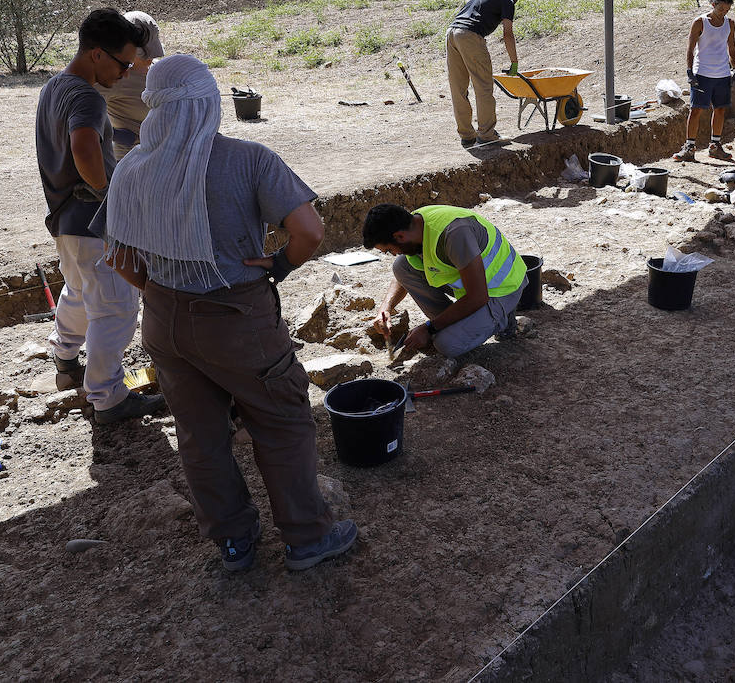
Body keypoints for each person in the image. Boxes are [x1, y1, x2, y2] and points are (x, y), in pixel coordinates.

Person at [100, 53, 356, 573]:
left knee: (199, 436)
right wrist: (280, 264)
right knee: (282, 422)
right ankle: (307, 538)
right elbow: (309, 232)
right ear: (210, 103)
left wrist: (160, 291)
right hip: (238, 317)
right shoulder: (249, 159)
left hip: (165, 320)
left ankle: (234, 541)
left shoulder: (132, 166)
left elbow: (118, 256)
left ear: (155, 110)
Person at [35, 8, 163, 424]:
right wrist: (111, 198)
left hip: (66, 220)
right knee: (117, 308)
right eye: (123, 64)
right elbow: (85, 148)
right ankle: (108, 398)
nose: (126, 73)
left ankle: (65, 357)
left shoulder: (54, 86)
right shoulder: (87, 96)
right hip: (92, 220)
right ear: (96, 54)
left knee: (80, 292)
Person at [363, 203, 526, 359]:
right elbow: (401, 275)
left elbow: (478, 297)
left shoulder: (454, 234)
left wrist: (429, 328)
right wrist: (386, 308)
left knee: (446, 344)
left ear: (399, 236)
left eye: (389, 250)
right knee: (401, 267)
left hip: (502, 287)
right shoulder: (414, 226)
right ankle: (457, 322)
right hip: (474, 285)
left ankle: (503, 318)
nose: (392, 254)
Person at [446, 0, 527, 148]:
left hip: (452, 33)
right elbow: (508, 33)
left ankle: (467, 136)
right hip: (470, 36)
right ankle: (487, 134)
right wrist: (514, 62)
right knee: (483, 86)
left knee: (458, 88)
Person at [673, 0, 735, 162]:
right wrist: (689, 71)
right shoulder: (700, 22)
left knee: (720, 109)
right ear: (713, 5)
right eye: (721, 9)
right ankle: (689, 147)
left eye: (727, 10)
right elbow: (690, 48)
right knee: (696, 110)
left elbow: (732, 47)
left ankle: (715, 146)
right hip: (702, 72)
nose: (724, 13)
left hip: (722, 74)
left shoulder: (729, 23)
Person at [98, 11, 166, 161]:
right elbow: (79, 115)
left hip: (164, 157)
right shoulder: (113, 79)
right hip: (131, 161)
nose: (150, 57)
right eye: (143, 52)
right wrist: (116, 134)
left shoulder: (158, 69)